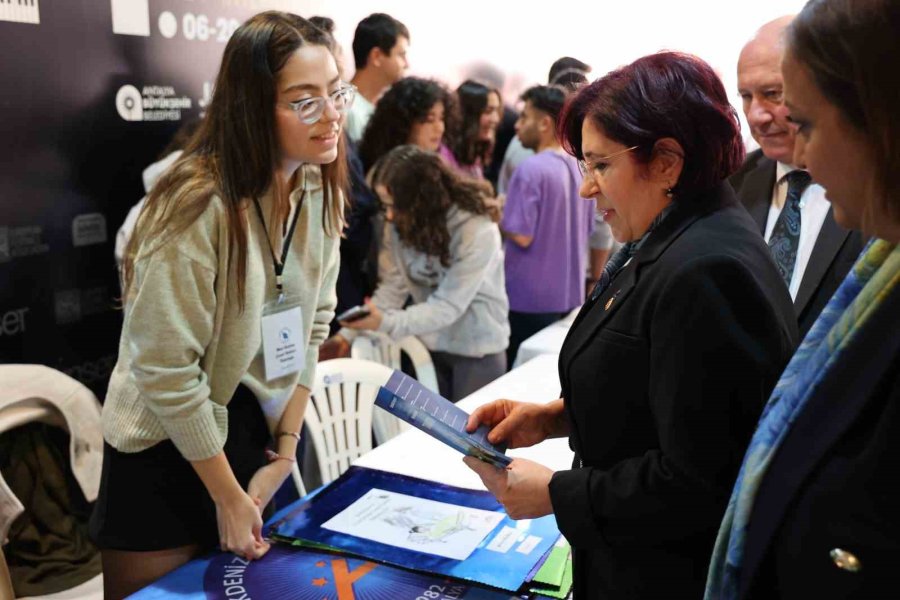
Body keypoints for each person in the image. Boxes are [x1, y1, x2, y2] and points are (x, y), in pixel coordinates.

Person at [464, 52, 798, 599]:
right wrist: (554, 419)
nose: (586, 190)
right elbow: (667, 398)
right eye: (584, 166)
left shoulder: (705, 270)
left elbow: (699, 479)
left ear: (666, 162)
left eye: (601, 166)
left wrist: (558, 493)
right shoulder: (674, 235)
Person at [88, 12, 348, 598]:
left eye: (335, 91)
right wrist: (226, 496)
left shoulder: (316, 188)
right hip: (162, 445)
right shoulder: (196, 204)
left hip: (246, 432)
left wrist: (284, 453)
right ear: (254, 107)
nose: (332, 114)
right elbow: (164, 367)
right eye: (304, 101)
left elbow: (312, 330)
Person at [706, 1, 900, 598]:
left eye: (800, 116)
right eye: (747, 99)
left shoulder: (872, 215)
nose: (765, 117)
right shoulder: (733, 186)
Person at [331, 146, 509, 401]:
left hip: (477, 351)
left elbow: (448, 306)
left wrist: (385, 323)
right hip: (429, 346)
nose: (390, 216)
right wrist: (347, 335)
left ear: (422, 200)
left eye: (396, 206)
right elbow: (393, 287)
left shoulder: (475, 227)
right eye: (385, 206)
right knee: (429, 438)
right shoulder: (402, 223)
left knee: (473, 438)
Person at [730, 15, 865, 339]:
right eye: (746, 96)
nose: (755, 115)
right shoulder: (729, 185)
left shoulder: (874, 192)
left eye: (772, 93)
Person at [501, 85, 594, 367]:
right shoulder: (581, 168)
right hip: (569, 295)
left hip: (527, 298)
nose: (517, 126)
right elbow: (591, 228)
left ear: (544, 123)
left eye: (524, 117)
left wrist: (497, 215)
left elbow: (522, 234)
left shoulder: (530, 169)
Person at [357, 76, 453, 173]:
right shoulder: (368, 168)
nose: (440, 128)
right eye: (429, 120)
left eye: (441, 118)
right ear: (403, 123)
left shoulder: (436, 169)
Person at [345, 13, 410, 143]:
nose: (407, 64)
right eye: (401, 55)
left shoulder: (388, 106)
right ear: (376, 56)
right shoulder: (345, 106)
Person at [440, 80, 501, 180]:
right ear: (468, 116)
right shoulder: (443, 157)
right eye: (488, 111)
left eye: (496, 111)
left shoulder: (474, 154)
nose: (496, 119)